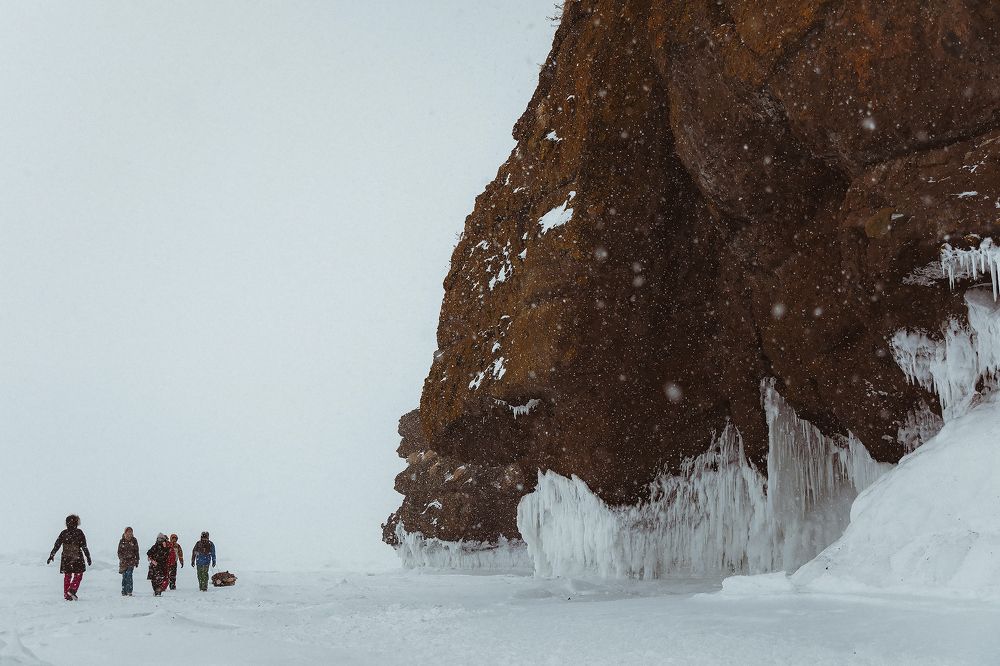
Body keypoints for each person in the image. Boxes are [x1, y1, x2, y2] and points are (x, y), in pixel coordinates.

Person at [47, 514, 92, 601]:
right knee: (78, 575)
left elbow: (57, 545)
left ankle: (67, 595)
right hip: (77, 557)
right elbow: (84, 546)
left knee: (67, 576)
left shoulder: (64, 533)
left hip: (66, 558)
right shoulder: (79, 532)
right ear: (76, 523)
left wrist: (52, 555)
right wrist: (88, 557)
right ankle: (72, 590)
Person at [117, 527, 140, 596]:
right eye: (128, 532)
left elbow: (136, 551)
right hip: (123, 562)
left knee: (129, 575)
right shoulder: (122, 541)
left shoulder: (134, 540)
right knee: (124, 576)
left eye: (131, 532)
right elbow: (119, 552)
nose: (129, 533)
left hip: (131, 561)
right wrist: (121, 558)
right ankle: (124, 591)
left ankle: (129, 591)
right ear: (125, 532)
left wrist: (137, 560)